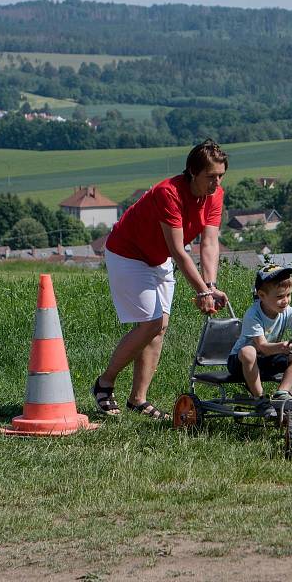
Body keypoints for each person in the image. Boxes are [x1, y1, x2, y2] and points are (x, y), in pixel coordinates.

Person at [93, 139, 229, 420]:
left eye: (220, 176)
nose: (216, 183)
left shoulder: (215, 195)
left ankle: (138, 400)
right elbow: (179, 252)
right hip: (128, 253)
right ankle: (104, 383)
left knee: (159, 327)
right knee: (154, 322)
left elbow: (209, 242)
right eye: (210, 177)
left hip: (158, 258)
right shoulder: (169, 193)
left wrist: (211, 285)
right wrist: (202, 292)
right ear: (193, 172)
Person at [228, 263, 292, 418]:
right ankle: (260, 399)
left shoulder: (286, 311)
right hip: (241, 363)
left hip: (267, 360)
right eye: (280, 297)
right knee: (248, 351)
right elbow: (262, 347)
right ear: (262, 296)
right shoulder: (253, 314)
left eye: (288, 295)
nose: (286, 301)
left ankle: (281, 392)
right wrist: (282, 346)